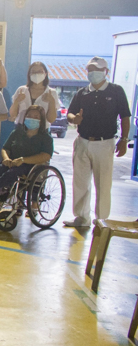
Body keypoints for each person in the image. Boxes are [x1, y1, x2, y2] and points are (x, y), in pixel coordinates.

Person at [64, 56, 132, 227]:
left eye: (97, 70)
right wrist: (75, 119)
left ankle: (102, 220)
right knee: (80, 182)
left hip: (104, 143)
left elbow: (125, 116)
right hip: (83, 142)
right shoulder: (82, 93)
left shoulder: (116, 91)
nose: (93, 73)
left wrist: (124, 139)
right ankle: (82, 217)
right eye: (90, 70)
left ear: (106, 72)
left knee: (103, 183)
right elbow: (70, 114)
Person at [0, 106, 53, 198]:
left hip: (31, 166)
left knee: (12, 173)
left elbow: (46, 155)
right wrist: (6, 159)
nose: (32, 119)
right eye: (29, 116)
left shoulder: (46, 138)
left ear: (41, 120)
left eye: (36, 117)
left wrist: (23, 160)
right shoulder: (17, 133)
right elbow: (5, 148)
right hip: (13, 162)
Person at [9, 62, 58, 126]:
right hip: (21, 129)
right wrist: (17, 101)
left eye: (40, 71)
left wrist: (52, 101)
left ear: (45, 73)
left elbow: (51, 119)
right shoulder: (21, 90)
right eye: (33, 72)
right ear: (29, 74)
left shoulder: (52, 93)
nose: (36, 74)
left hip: (42, 131)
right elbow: (13, 115)